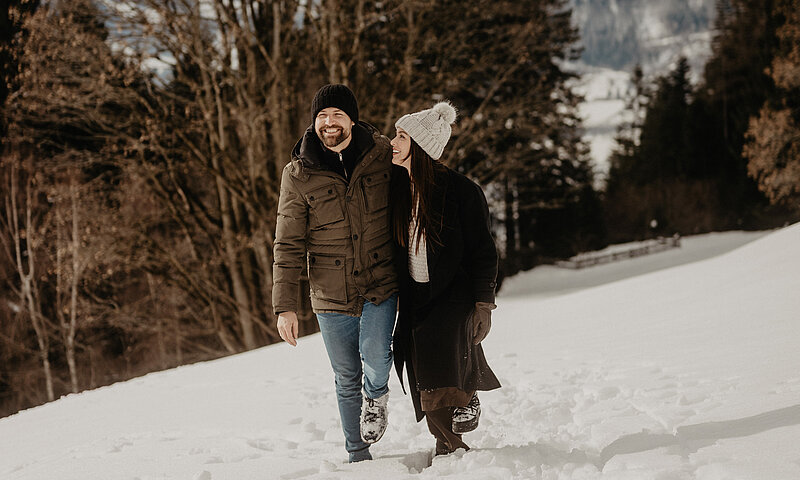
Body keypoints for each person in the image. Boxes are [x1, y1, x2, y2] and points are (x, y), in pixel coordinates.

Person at [272, 84, 398, 463]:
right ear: (314, 123)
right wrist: (285, 306)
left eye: (337, 115)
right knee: (345, 378)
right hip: (330, 293)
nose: (329, 123)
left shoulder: (381, 156)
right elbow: (287, 243)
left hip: (380, 281)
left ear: (352, 119)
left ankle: (376, 396)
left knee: (376, 356)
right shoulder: (298, 174)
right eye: (322, 116)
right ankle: (358, 455)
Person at [389, 101, 501, 456]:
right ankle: (450, 437)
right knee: (422, 368)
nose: (394, 142)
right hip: (415, 297)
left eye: (402, 136)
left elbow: (484, 250)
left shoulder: (462, 191)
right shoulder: (397, 188)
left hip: (454, 294)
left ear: (420, 146)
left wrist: (483, 303)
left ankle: (453, 441)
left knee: (436, 367)